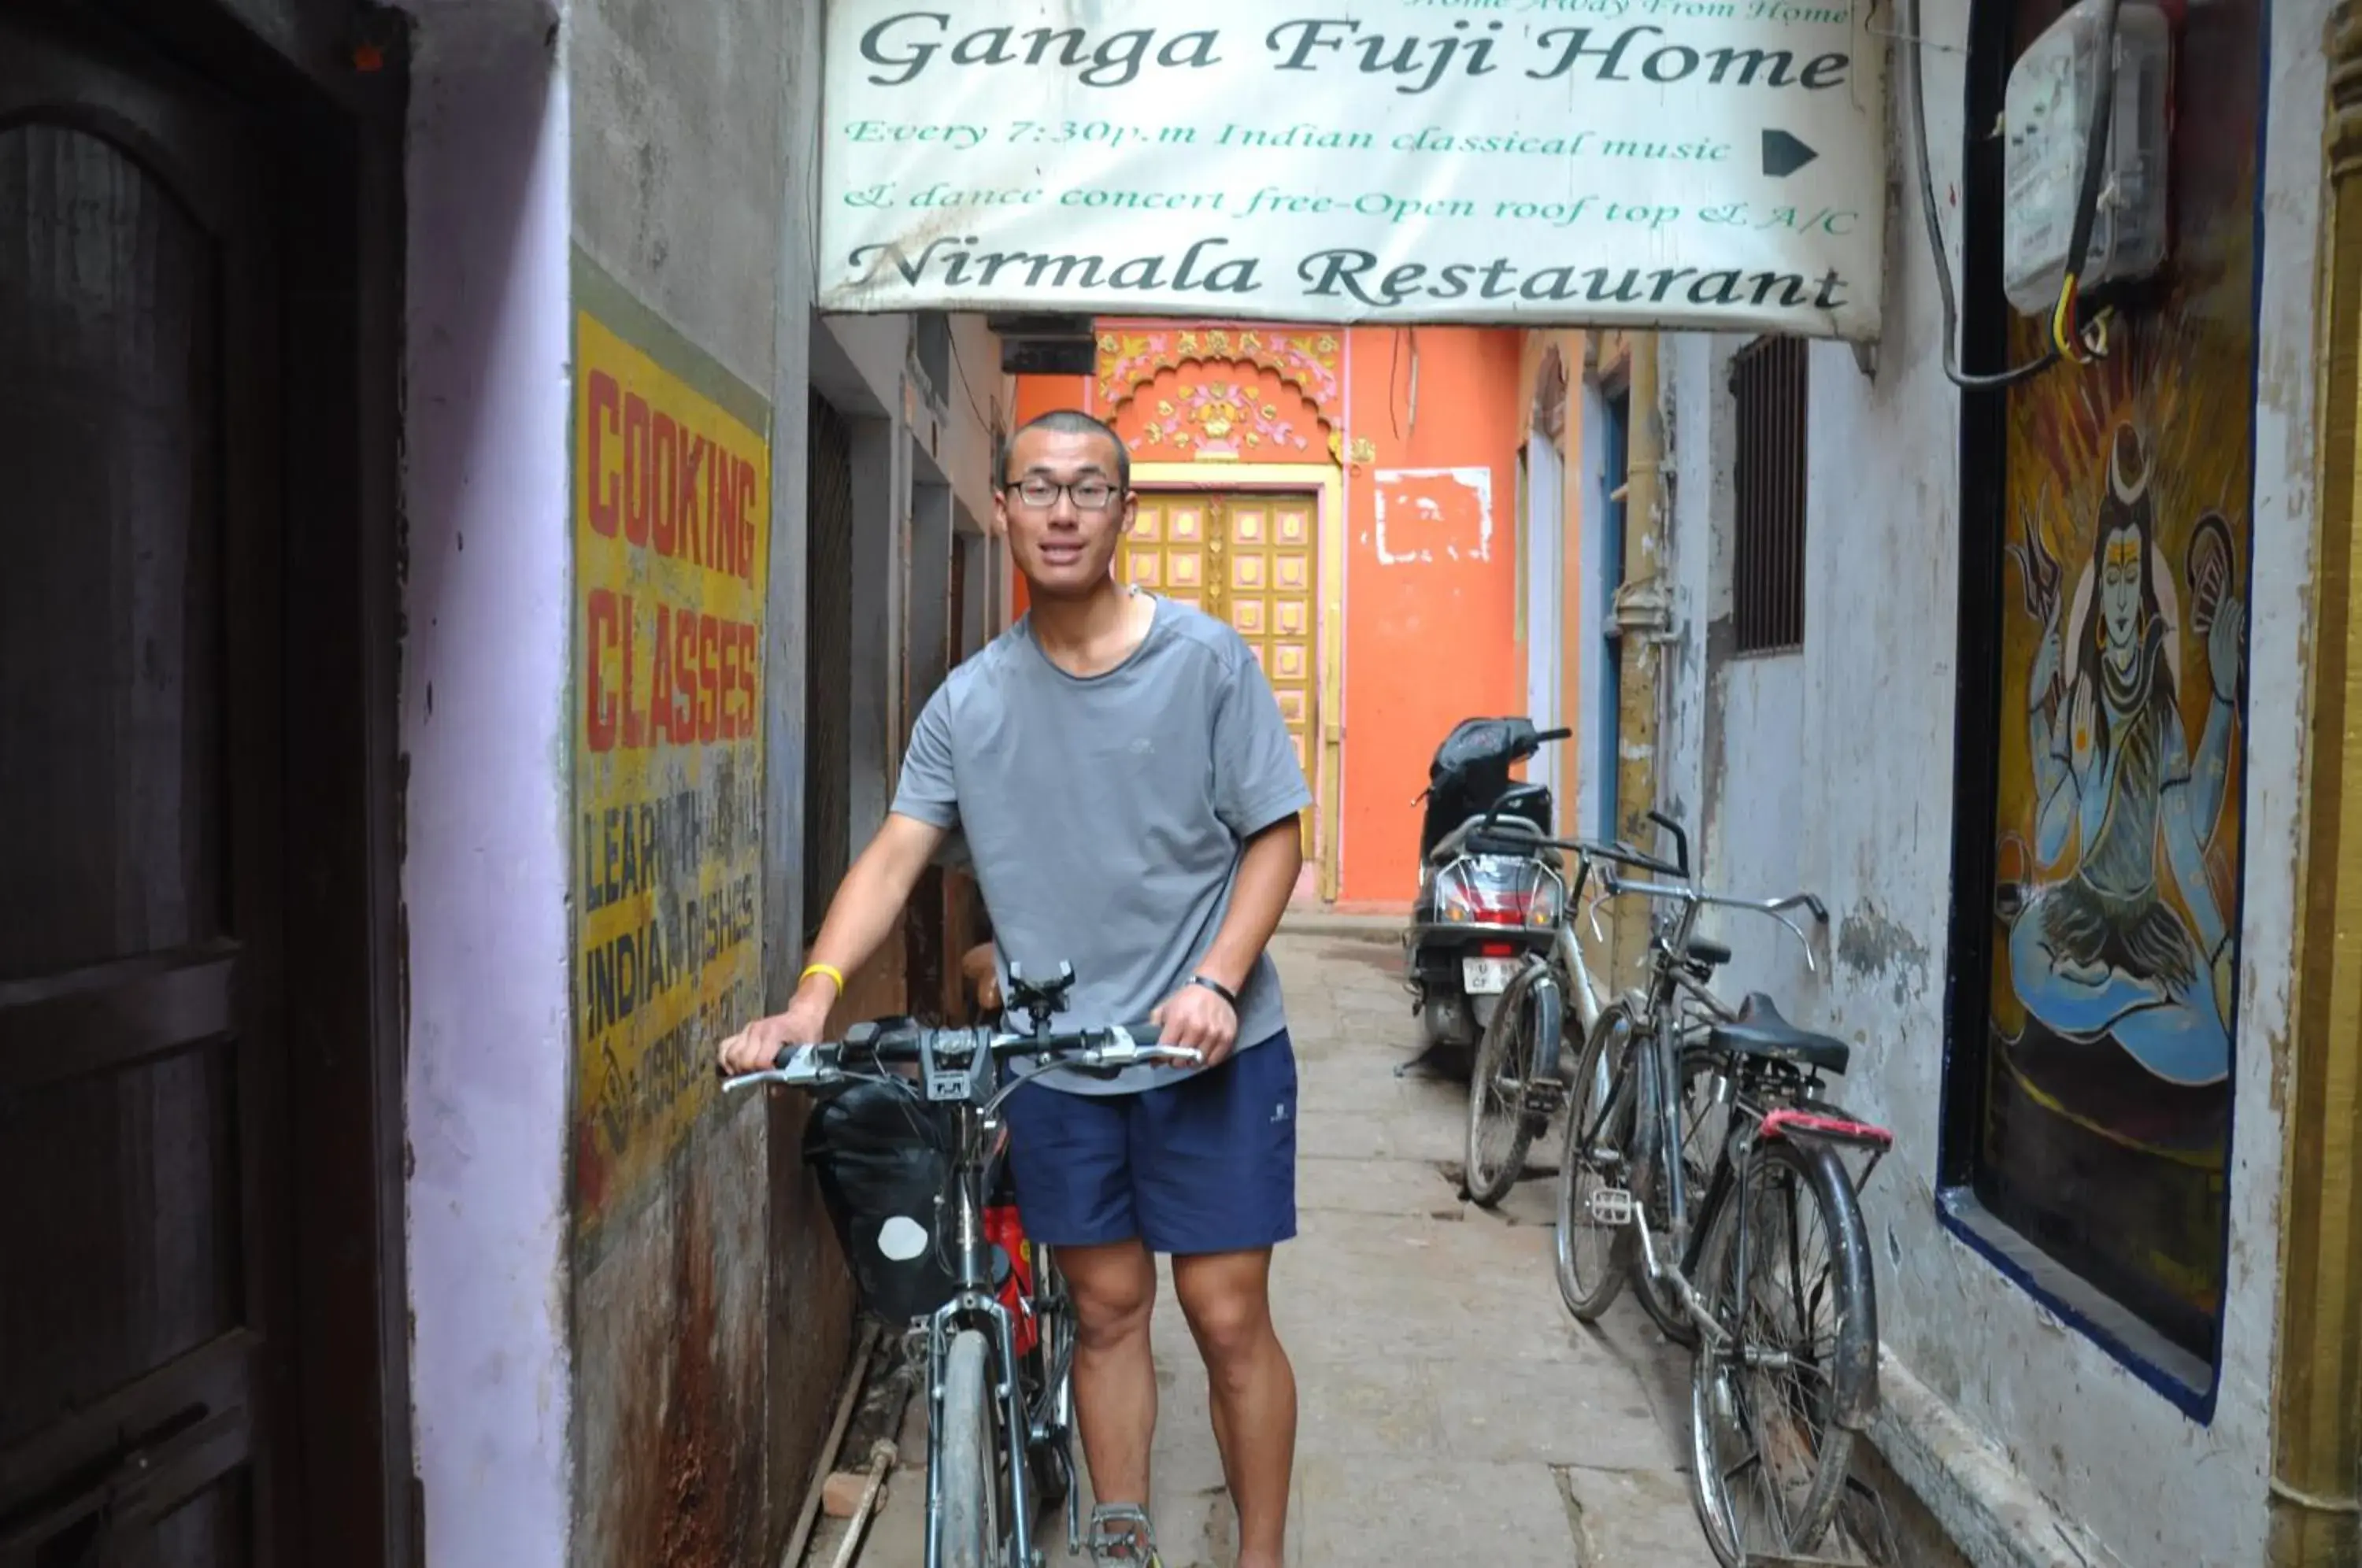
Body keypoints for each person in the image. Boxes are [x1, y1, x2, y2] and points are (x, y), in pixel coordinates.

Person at [720, 409, 1309, 1568]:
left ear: (1125, 511)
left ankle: (1263, 1557)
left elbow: (1276, 835)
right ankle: (1122, 1545)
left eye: (1089, 489)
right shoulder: (969, 702)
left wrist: (1217, 980)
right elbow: (896, 854)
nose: (1062, 511)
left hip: (1209, 1051)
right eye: (1038, 487)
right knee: (1107, 1311)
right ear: (1002, 510)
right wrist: (812, 1000)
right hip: (1058, 1063)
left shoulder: (1205, 663)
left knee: (1227, 1315)